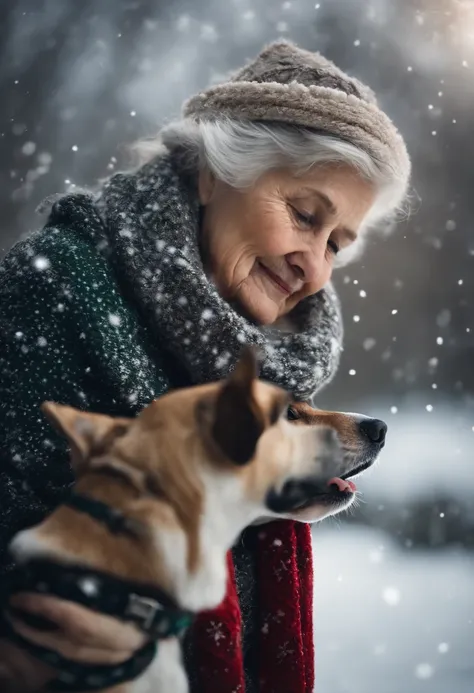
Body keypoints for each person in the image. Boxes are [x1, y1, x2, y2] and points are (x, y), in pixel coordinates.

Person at [0, 40, 410, 693]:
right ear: (213, 171)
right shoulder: (55, 296)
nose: (317, 265)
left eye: (337, 243)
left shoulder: (276, 356)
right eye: (305, 215)